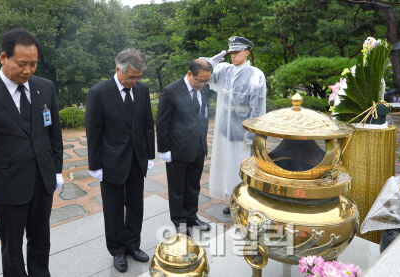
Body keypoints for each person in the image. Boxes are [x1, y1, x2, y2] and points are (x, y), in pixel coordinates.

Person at [0, 29, 64, 277]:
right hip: (7, 186)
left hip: (42, 182)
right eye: (21, 64)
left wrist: (57, 170)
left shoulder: (45, 87)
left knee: (41, 240)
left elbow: (54, 134)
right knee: (12, 248)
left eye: (33, 64)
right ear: (4, 57)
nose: (28, 70)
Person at [85, 49, 155, 272]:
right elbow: (93, 131)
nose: (134, 81)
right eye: (130, 77)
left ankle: (132, 244)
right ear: (118, 69)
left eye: (138, 77)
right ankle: (116, 250)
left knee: (136, 205)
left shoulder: (142, 90)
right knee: (114, 209)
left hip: (137, 159)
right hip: (111, 161)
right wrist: (94, 165)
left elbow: (147, 125)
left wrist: (149, 155)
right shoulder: (99, 92)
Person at [204, 36, 267, 214]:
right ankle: (232, 198)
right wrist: (211, 62)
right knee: (226, 164)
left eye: (237, 52)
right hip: (225, 128)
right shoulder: (224, 70)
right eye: (231, 52)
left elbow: (257, 106)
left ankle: (244, 200)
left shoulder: (256, 75)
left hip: (242, 129)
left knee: (241, 166)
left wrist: (252, 134)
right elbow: (204, 75)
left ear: (247, 52)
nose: (233, 55)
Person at [156, 59, 212, 237]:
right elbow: (162, 122)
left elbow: (202, 116)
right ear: (189, 74)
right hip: (177, 149)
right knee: (177, 188)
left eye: (205, 81)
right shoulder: (171, 91)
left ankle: (191, 216)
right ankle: (179, 221)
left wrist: (203, 143)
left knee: (193, 185)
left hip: (198, 147)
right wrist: (164, 149)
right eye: (199, 80)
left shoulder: (205, 89)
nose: (202, 84)